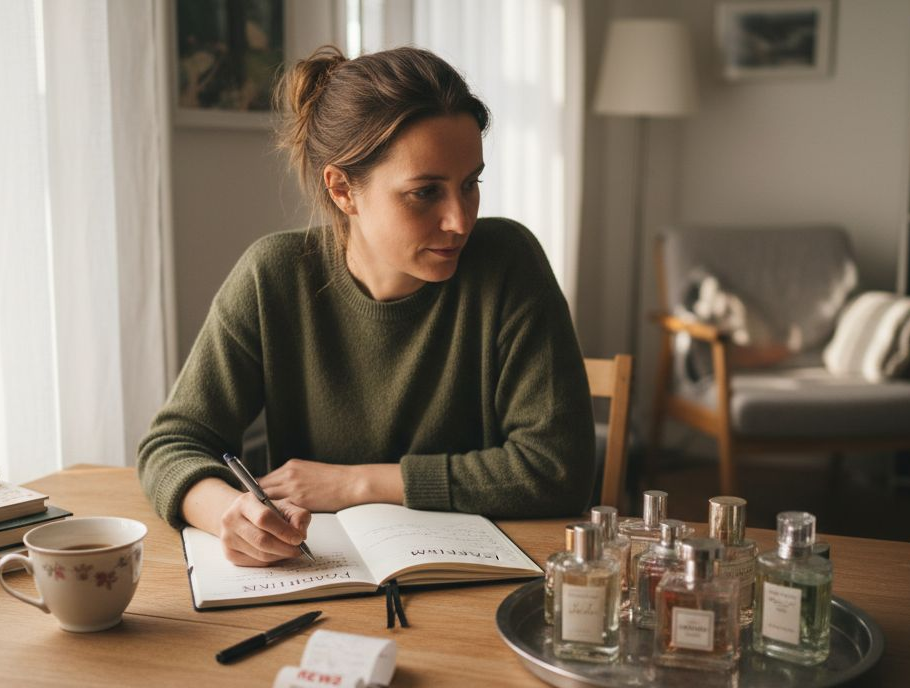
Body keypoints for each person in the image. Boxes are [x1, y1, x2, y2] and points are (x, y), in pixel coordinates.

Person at [137, 45, 594, 566]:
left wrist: (356, 483)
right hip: (319, 576)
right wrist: (230, 513)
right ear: (342, 190)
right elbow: (171, 444)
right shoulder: (273, 277)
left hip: (471, 582)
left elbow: (558, 469)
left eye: (471, 184)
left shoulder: (509, 262)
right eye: (426, 192)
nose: (460, 220)